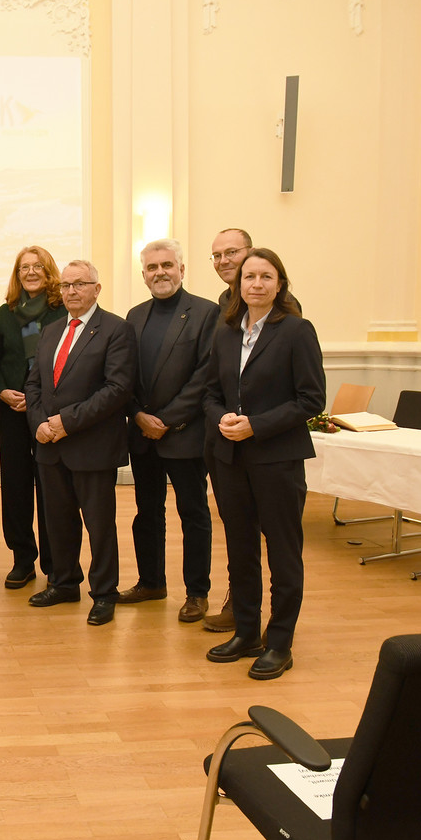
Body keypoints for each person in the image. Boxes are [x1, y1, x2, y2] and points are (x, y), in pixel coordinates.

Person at [203, 248, 325, 680]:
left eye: (265, 277)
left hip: (277, 458)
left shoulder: (295, 331)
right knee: (240, 550)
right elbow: (209, 393)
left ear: (279, 284)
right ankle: (247, 633)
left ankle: (279, 643)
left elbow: (311, 399)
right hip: (230, 457)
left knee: (283, 553)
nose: (256, 284)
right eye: (249, 276)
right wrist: (222, 419)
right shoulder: (225, 332)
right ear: (238, 285)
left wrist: (256, 425)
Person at [24, 260, 135, 627]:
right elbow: (34, 383)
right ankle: (64, 582)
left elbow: (116, 389)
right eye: (67, 285)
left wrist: (65, 423)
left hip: (92, 445)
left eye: (80, 284)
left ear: (96, 289)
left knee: (99, 526)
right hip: (50, 446)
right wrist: (40, 422)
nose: (72, 291)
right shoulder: (52, 330)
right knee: (57, 522)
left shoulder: (115, 330)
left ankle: (104, 593)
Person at [120, 239, 218, 623]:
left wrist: (168, 420)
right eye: (151, 267)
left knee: (193, 514)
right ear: (143, 274)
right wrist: (139, 416)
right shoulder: (134, 315)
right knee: (147, 512)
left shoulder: (207, 314)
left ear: (182, 268)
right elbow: (122, 375)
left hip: (186, 434)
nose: (159, 272)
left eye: (167, 265)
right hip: (143, 433)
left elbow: (205, 375)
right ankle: (151, 582)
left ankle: (197, 592)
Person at [0, 246, 67, 589]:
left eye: (38, 267)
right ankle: (23, 559)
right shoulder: (4, 313)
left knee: (52, 487)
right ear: (17, 274)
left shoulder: (62, 311)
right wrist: (2, 390)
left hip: (50, 410)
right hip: (11, 407)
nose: (31, 272)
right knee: (16, 486)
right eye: (25, 268)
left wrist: (42, 400)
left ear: (49, 271)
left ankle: (55, 564)